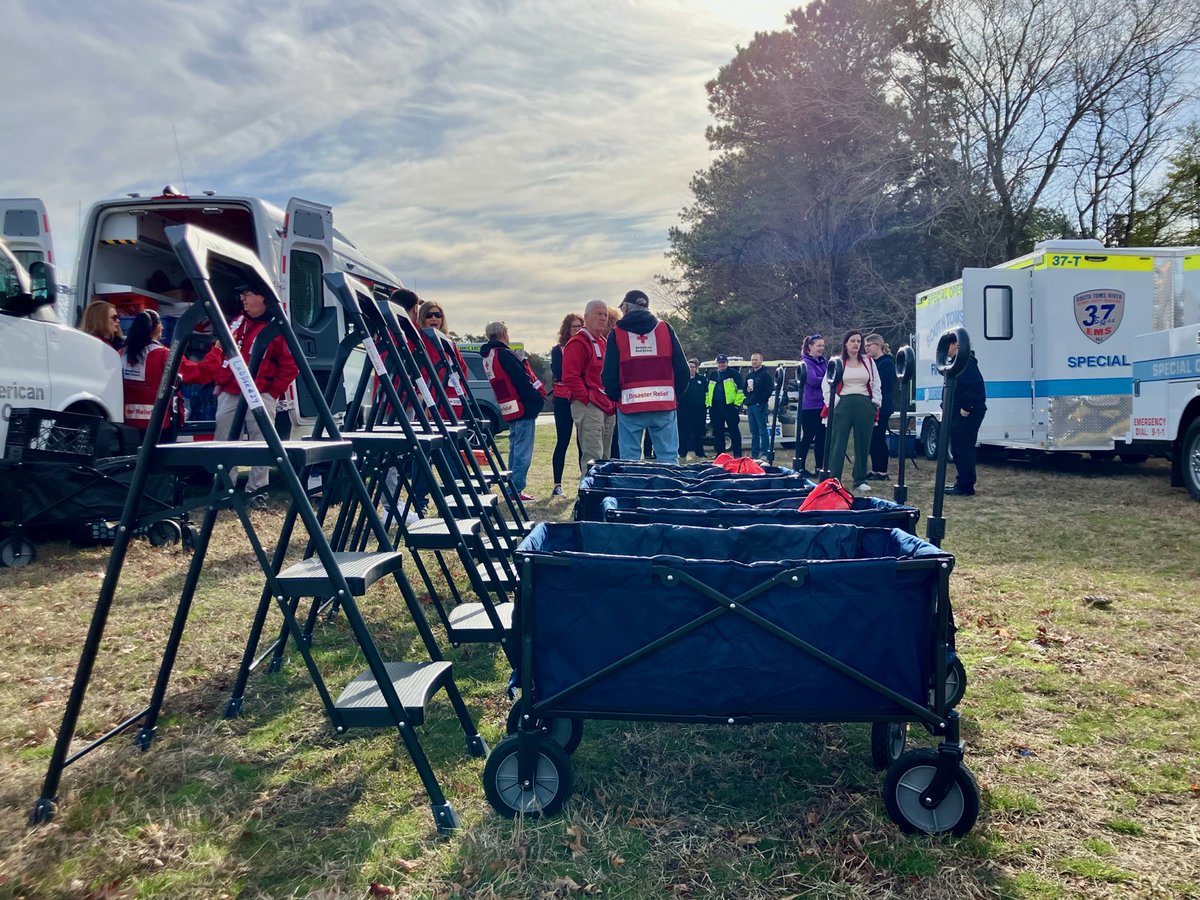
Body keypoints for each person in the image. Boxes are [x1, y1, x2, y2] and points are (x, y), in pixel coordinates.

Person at [182, 283, 299, 507]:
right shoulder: (237, 322)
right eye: (242, 293)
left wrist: (272, 392)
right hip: (231, 392)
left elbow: (290, 365)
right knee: (223, 441)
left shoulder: (278, 327)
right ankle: (223, 490)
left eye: (248, 293)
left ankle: (257, 492)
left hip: (260, 394)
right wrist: (220, 382)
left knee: (261, 443)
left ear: (263, 297)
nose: (243, 298)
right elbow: (224, 354)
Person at [601, 289, 690, 465]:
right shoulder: (665, 328)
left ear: (625, 307)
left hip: (630, 406)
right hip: (664, 404)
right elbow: (683, 371)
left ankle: (633, 492)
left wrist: (616, 397)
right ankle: (670, 492)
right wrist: (674, 395)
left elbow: (609, 376)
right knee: (668, 458)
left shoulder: (617, 334)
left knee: (630, 460)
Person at [480, 321, 545, 501]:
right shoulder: (505, 355)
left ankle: (512, 488)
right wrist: (537, 399)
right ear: (504, 334)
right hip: (523, 407)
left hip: (509, 408)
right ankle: (515, 489)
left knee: (515, 448)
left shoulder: (488, 356)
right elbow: (521, 381)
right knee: (522, 451)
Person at [822, 329, 881, 493]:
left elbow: (876, 383)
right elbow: (826, 384)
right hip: (843, 405)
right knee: (838, 443)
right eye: (853, 341)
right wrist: (833, 403)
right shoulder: (837, 361)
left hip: (864, 405)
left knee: (863, 443)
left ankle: (860, 479)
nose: (856, 344)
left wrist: (874, 403)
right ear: (846, 343)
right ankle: (834, 480)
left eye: (859, 341)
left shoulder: (868, 362)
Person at [561, 299, 615, 473]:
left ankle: (602, 496)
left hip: (605, 404)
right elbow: (570, 377)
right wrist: (586, 399)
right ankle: (588, 497)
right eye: (598, 314)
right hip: (590, 404)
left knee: (605, 458)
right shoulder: (578, 342)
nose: (603, 318)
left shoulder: (603, 342)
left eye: (605, 315)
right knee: (593, 456)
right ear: (586, 317)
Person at [120, 309, 192, 440]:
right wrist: (217, 351)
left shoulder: (120, 354)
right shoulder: (164, 355)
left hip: (126, 425)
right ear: (158, 327)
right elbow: (196, 373)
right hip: (159, 424)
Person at [945, 336, 987, 496]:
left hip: (968, 412)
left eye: (947, 345)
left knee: (963, 448)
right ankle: (962, 481)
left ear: (956, 345)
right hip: (960, 411)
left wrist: (966, 407)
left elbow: (974, 385)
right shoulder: (958, 362)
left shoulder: (965, 362)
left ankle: (966, 485)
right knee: (958, 447)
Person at [549, 312, 583, 496]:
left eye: (580, 326)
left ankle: (584, 484)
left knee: (582, 443)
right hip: (563, 400)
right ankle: (557, 485)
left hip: (580, 398)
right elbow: (560, 373)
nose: (577, 329)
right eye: (574, 327)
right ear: (567, 329)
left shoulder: (586, 346)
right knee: (562, 441)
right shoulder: (558, 349)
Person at [864, 334, 898, 481]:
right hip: (871, 404)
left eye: (868, 346)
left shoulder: (887, 363)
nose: (866, 349)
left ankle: (882, 471)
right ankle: (875, 468)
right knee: (872, 438)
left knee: (879, 437)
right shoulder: (871, 362)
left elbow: (882, 383)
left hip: (883, 405)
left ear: (878, 345)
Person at [795, 334, 827, 476]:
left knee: (822, 437)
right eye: (818, 345)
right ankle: (800, 466)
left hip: (823, 404)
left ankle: (820, 467)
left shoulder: (823, 362)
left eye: (822, 345)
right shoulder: (805, 363)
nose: (821, 348)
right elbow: (813, 380)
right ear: (810, 347)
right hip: (810, 406)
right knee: (808, 437)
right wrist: (828, 379)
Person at [706, 354, 745, 456]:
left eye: (723, 362)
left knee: (733, 430)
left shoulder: (734, 374)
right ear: (717, 364)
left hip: (730, 406)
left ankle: (737, 454)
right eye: (719, 363)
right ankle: (721, 454)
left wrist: (736, 405)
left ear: (727, 363)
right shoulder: (713, 375)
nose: (721, 364)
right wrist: (708, 405)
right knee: (718, 432)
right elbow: (708, 392)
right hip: (715, 407)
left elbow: (741, 391)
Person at [744, 352, 773, 460]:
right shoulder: (749, 375)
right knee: (754, 431)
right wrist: (747, 391)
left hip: (760, 406)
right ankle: (754, 453)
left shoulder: (765, 375)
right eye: (752, 360)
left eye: (756, 359)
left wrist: (761, 402)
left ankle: (765, 453)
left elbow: (769, 391)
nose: (754, 362)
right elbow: (744, 390)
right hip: (750, 406)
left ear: (761, 361)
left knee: (762, 430)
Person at [678, 358, 709, 461]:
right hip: (684, 410)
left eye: (693, 367)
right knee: (684, 432)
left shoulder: (702, 379)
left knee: (698, 432)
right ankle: (682, 453)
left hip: (699, 410)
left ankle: (700, 452)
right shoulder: (682, 379)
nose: (691, 369)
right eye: (689, 367)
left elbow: (707, 393)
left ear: (696, 368)